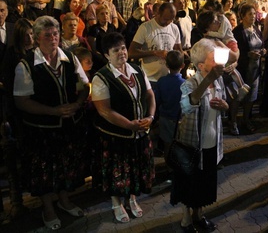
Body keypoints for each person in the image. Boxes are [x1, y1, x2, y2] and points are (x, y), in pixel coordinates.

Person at [13, 16, 89, 230]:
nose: (53, 38)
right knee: (45, 172)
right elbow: (21, 101)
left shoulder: (70, 59)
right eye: (47, 35)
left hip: (68, 126)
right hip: (41, 129)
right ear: (37, 38)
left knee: (65, 167)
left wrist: (77, 104)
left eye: (55, 34)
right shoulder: (26, 65)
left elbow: (85, 86)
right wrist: (52, 111)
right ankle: (48, 208)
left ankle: (64, 201)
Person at [91, 32, 156, 223]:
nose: (121, 53)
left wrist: (150, 117)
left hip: (140, 132)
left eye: (123, 48)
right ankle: (116, 202)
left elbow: (150, 95)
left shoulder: (137, 69)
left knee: (135, 168)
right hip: (116, 135)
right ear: (106, 55)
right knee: (117, 170)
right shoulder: (101, 77)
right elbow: (104, 110)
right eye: (115, 50)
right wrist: (129, 125)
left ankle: (132, 198)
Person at [171, 38, 227, 233]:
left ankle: (199, 215)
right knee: (190, 183)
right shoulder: (190, 83)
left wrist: (225, 106)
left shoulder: (219, 80)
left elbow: (225, 104)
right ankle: (186, 219)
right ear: (201, 65)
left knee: (205, 183)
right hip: (192, 144)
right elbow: (187, 105)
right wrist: (208, 80)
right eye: (214, 58)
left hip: (212, 142)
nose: (219, 62)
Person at [0, 18, 33, 220]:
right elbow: (9, 82)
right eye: (27, 34)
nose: (30, 37)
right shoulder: (13, 55)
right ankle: (16, 199)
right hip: (17, 108)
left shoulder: (35, 52)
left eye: (32, 33)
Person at [128, 2, 182, 85]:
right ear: (158, 14)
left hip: (169, 78)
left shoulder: (174, 28)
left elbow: (178, 50)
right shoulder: (145, 27)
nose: (168, 22)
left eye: (171, 19)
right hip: (150, 79)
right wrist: (155, 52)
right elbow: (131, 53)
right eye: (166, 19)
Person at [232, 4, 265, 133]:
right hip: (242, 68)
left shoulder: (256, 30)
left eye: (254, 14)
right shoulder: (238, 32)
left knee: (251, 96)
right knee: (238, 96)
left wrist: (262, 51)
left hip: (255, 69)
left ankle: (246, 119)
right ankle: (233, 121)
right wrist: (247, 54)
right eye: (250, 14)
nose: (253, 17)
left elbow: (262, 44)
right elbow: (235, 50)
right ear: (243, 16)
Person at [155, 50, 185, 158]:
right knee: (179, 144)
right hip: (180, 119)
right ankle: (179, 165)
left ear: (166, 65)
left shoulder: (161, 81)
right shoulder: (185, 84)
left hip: (165, 118)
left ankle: (169, 166)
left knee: (167, 144)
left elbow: (157, 100)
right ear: (182, 65)